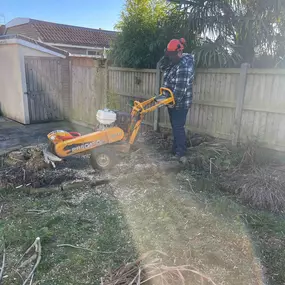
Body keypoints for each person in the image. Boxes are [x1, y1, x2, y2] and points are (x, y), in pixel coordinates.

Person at [161, 38, 195, 162]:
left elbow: (180, 90)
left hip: (179, 103)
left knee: (178, 127)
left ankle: (180, 152)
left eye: (172, 55)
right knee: (175, 126)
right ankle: (175, 149)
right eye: (169, 55)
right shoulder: (174, 62)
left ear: (180, 52)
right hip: (171, 101)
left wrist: (170, 102)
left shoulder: (184, 67)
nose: (171, 57)